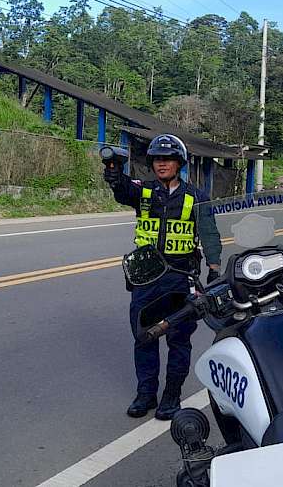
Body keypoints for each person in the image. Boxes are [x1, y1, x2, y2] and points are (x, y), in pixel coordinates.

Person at [104, 134, 222, 420]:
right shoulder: (142, 191)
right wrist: (113, 172)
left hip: (180, 278)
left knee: (179, 340)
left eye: (167, 159)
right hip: (146, 278)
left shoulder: (196, 197)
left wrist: (215, 267)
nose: (162, 164)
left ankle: (171, 395)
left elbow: (209, 233)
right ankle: (146, 394)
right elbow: (122, 190)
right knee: (144, 337)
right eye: (157, 159)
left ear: (179, 163)